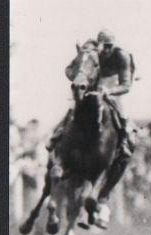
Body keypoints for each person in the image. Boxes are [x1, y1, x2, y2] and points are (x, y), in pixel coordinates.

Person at [47, 29, 137, 167]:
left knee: (122, 111)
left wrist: (110, 91)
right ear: (98, 44)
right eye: (104, 46)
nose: (107, 50)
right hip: (94, 80)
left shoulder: (121, 55)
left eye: (109, 46)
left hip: (115, 82)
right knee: (74, 105)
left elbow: (126, 85)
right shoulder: (90, 51)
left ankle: (124, 141)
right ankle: (58, 134)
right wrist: (80, 79)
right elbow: (69, 69)